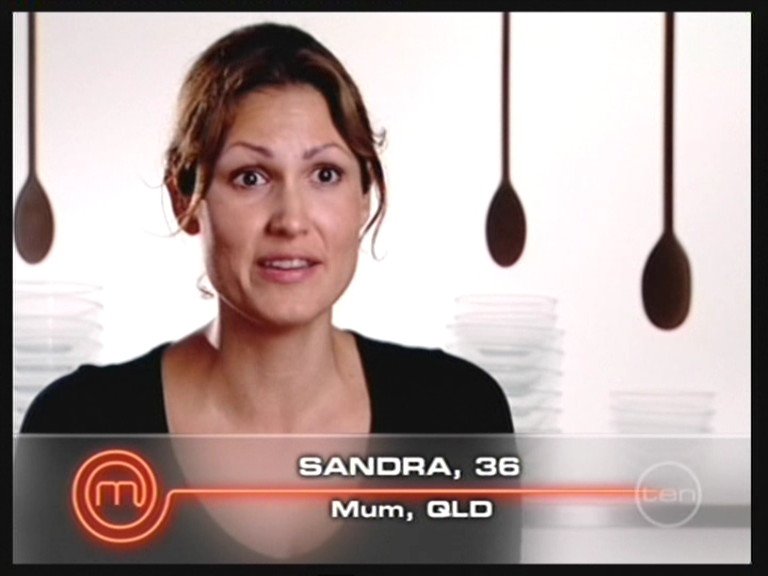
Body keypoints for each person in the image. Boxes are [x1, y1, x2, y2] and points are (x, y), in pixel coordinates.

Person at [16, 21, 519, 565]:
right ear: (186, 199)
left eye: (325, 174)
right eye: (251, 177)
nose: (292, 220)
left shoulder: (458, 415)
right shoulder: (78, 429)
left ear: (364, 197)